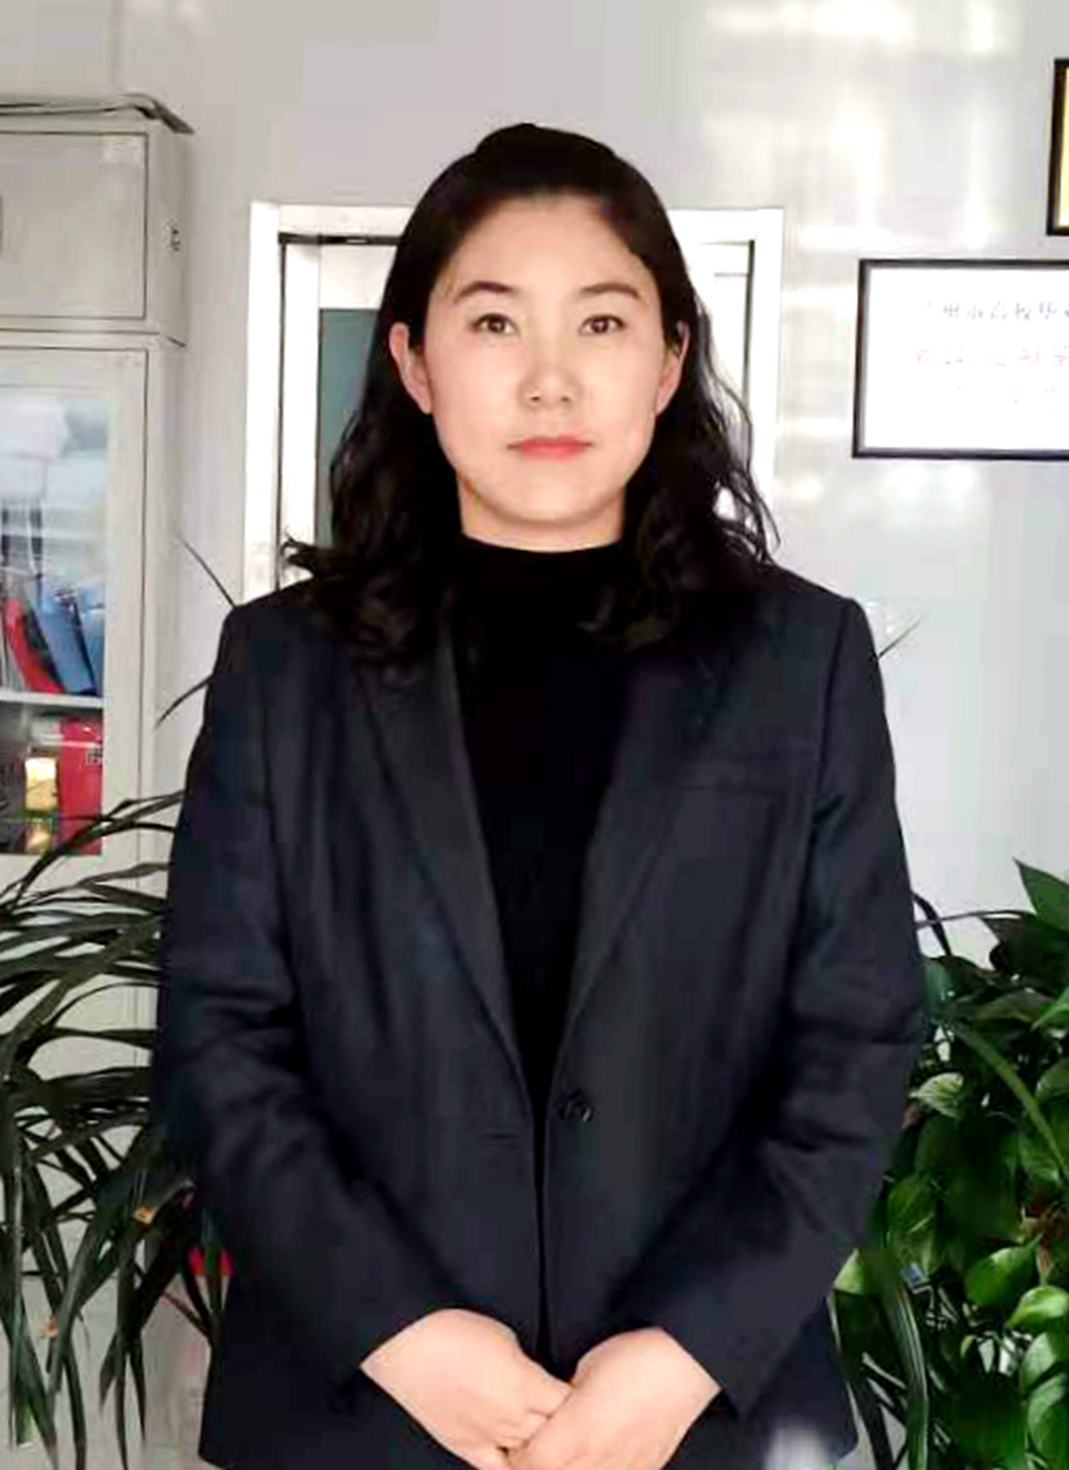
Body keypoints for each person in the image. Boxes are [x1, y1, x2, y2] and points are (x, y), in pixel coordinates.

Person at [151, 122, 928, 1470]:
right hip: (359, 1411)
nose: (550, 378)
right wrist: (402, 1332)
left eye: (603, 322)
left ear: (670, 359)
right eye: (495, 321)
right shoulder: (286, 668)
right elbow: (221, 1037)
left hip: (700, 1418)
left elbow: (854, 1041)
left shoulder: (798, 660)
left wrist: (683, 1351)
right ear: (414, 360)